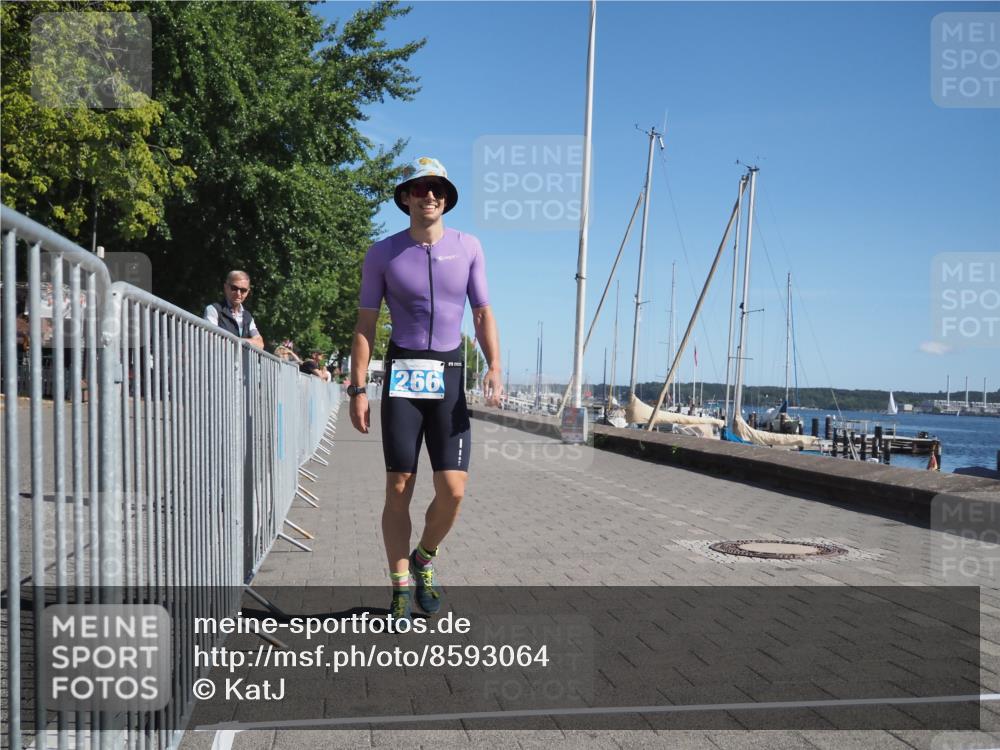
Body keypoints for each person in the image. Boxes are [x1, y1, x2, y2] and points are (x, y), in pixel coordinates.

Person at [349, 157, 502, 621]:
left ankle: (424, 558)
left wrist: (495, 364)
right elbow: (366, 324)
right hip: (404, 371)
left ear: (447, 198)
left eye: (437, 188)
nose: (429, 195)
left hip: (450, 371)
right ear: (406, 197)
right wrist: (357, 388)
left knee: (453, 489)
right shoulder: (383, 253)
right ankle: (399, 585)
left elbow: (481, 312)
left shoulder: (469, 246)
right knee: (399, 484)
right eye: (420, 188)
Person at [203, 270, 264, 348]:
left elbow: (260, 344)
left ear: (247, 292)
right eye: (234, 288)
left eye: (243, 290)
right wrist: (245, 342)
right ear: (226, 287)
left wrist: (237, 341)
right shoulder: (213, 310)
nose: (238, 293)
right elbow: (211, 339)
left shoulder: (248, 317)